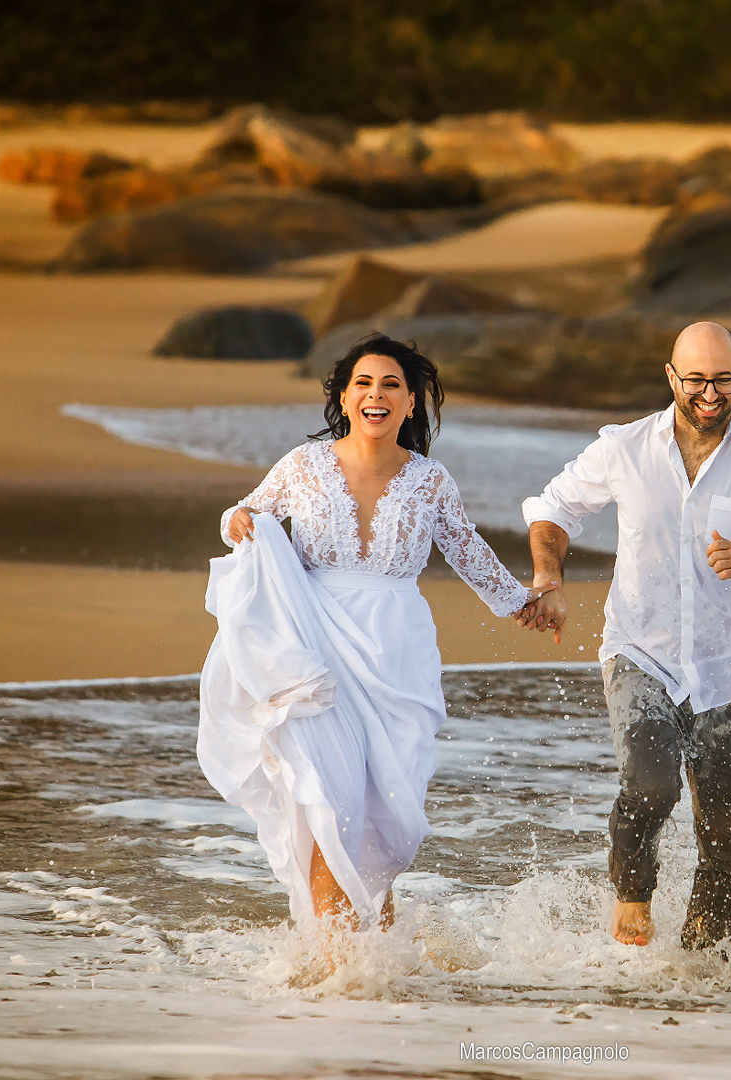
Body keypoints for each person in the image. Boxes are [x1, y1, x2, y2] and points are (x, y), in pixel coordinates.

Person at [200, 332, 548, 945]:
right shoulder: (303, 466)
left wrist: (520, 602)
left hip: (397, 659)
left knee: (384, 814)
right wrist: (238, 520)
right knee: (330, 802)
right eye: (363, 383)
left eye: (391, 385)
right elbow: (242, 516)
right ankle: (338, 971)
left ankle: (377, 957)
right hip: (315, 652)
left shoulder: (431, 481)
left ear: (411, 403)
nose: (376, 396)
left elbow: (467, 549)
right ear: (343, 395)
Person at [519, 321, 731, 952]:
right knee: (651, 785)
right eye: (695, 378)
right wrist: (547, 575)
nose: (709, 392)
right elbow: (553, 508)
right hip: (640, 654)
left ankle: (701, 979)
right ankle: (633, 895)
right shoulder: (623, 449)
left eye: (723, 379)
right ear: (671, 376)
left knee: (728, 843)